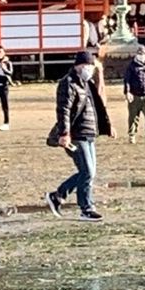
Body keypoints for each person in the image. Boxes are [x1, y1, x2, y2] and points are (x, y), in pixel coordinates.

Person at [45, 50, 112, 221]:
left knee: (89, 172)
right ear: (78, 65)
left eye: (91, 65)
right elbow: (63, 110)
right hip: (75, 134)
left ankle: (58, 195)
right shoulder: (68, 83)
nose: (89, 68)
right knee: (87, 171)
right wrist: (64, 133)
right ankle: (86, 208)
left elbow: (98, 107)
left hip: (89, 132)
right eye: (86, 65)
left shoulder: (87, 83)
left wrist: (107, 127)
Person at [123, 45, 145, 145]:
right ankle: (132, 135)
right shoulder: (131, 66)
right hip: (134, 96)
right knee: (133, 117)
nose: (141, 55)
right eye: (139, 53)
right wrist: (127, 92)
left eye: (143, 54)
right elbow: (127, 80)